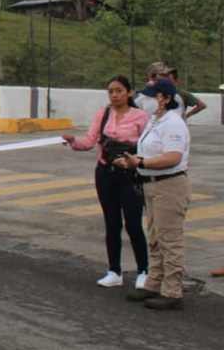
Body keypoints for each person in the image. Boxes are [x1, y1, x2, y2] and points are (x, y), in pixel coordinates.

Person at [62, 76, 150, 288]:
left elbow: (147, 145)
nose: (114, 95)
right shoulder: (102, 115)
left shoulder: (140, 116)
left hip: (130, 175)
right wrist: (73, 141)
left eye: (119, 91)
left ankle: (143, 270)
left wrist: (134, 160)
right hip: (105, 173)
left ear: (129, 92)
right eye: (111, 91)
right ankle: (114, 270)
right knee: (112, 222)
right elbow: (89, 142)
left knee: (133, 223)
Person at [119, 78, 192, 310]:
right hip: (152, 184)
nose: (145, 100)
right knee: (155, 237)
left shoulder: (173, 123)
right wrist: (132, 162)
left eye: (152, 96)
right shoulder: (155, 120)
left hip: (168, 185)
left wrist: (141, 162)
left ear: (166, 99)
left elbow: (173, 158)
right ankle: (154, 283)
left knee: (170, 240)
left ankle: (172, 291)